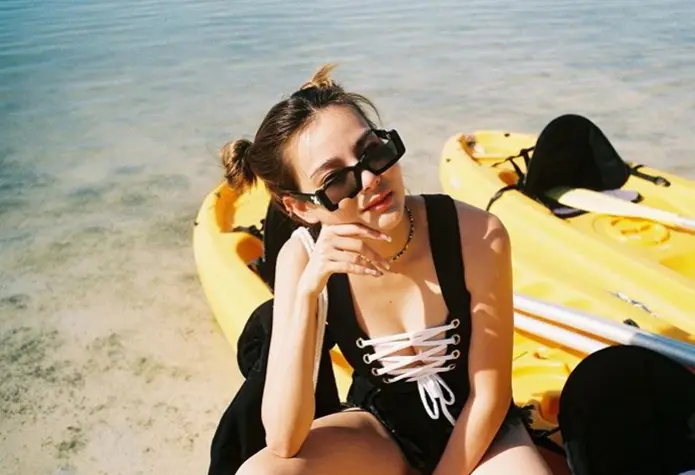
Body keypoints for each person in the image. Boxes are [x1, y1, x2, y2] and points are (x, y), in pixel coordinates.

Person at [220, 64, 552, 475]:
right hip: (382, 432)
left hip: (484, 430)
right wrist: (307, 294)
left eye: (373, 153)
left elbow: (489, 396)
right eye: (337, 179)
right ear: (301, 207)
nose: (370, 179)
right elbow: (284, 440)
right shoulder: (301, 258)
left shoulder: (477, 234)